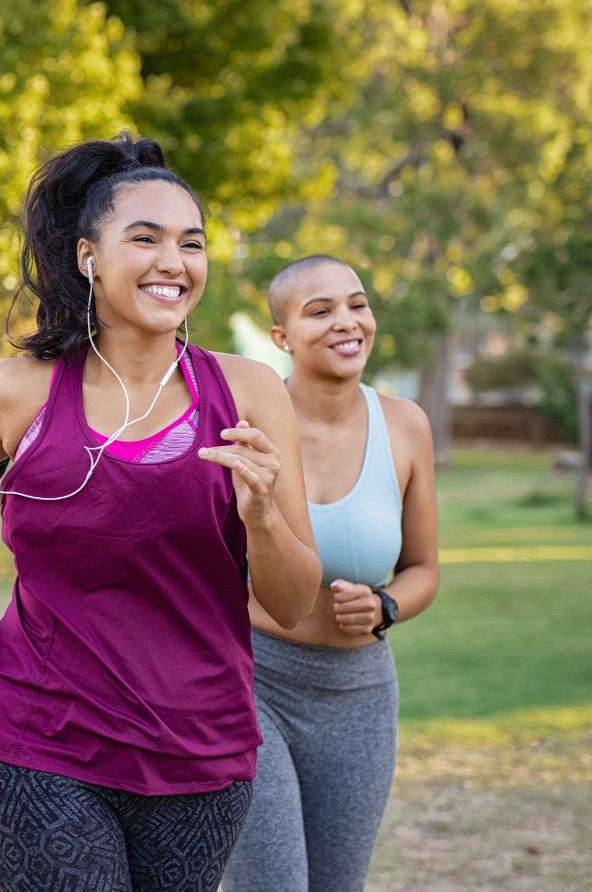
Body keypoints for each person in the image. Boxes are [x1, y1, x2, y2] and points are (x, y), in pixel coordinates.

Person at [0, 132, 321, 892]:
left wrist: (263, 516)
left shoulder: (252, 396)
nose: (175, 262)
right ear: (87, 257)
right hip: (40, 743)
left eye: (191, 243)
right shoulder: (12, 391)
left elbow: (294, 604)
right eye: (146, 238)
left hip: (201, 750)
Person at [223, 255, 440, 892]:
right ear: (281, 337)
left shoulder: (405, 425)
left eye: (357, 304)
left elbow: (424, 567)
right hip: (253, 686)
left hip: (361, 696)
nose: (347, 323)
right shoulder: (244, 426)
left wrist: (386, 608)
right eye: (320, 311)